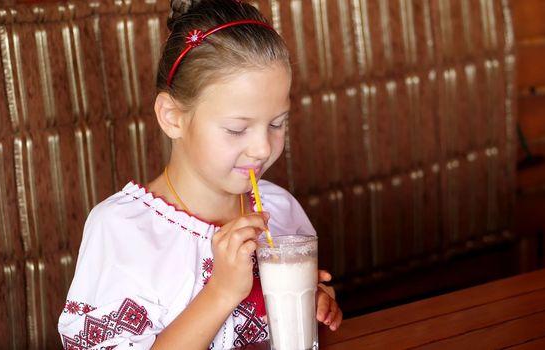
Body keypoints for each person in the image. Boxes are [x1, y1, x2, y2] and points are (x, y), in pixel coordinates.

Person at [57, 0, 342, 348]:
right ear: (172, 117)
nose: (263, 148)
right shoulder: (121, 232)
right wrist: (221, 291)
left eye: (277, 123)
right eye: (238, 129)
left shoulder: (279, 210)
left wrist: (314, 301)